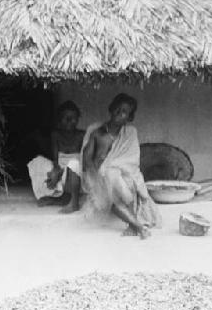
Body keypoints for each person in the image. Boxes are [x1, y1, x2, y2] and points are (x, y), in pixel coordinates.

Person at [81, 93, 161, 239]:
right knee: (109, 189)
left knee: (118, 180)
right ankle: (138, 227)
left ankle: (135, 226)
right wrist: (97, 178)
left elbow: (131, 160)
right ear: (111, 109)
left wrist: (112, 169)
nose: (119, 113)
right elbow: (87, 160)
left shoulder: (130, 133)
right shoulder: (97, 134)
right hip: (98, 176)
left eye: (124, 111)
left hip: (121, 175)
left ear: (129, 118)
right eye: (117, 108)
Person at [27, 101, 84, 213]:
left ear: (78, 119)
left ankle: (71, 201)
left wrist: (61, 171)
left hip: (76, 172)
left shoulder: (82, 135)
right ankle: (60, 198)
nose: (69, 121)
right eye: (65, 118)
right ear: (59, 120)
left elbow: (83, 160)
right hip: (61, 167)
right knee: (38, 161)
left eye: (73, 118)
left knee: (74, 164)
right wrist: (56, 171)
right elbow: (55, 158)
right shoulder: (55, 134)